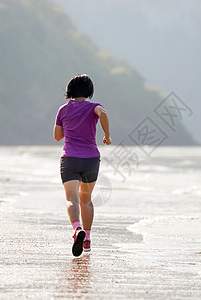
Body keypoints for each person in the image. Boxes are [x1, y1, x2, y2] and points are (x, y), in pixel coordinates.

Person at [53, 74, 111, 257]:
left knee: (72, 199)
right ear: (89, 91)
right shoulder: (95, 107)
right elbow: (103, 114)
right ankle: (87, 239)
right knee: (86, 198)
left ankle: (77, 229)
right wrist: (107, 135)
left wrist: (71, 126)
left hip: (70, 158)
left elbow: (57, 136)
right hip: (91, 159)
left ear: (69, 90)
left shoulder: (63, 110)